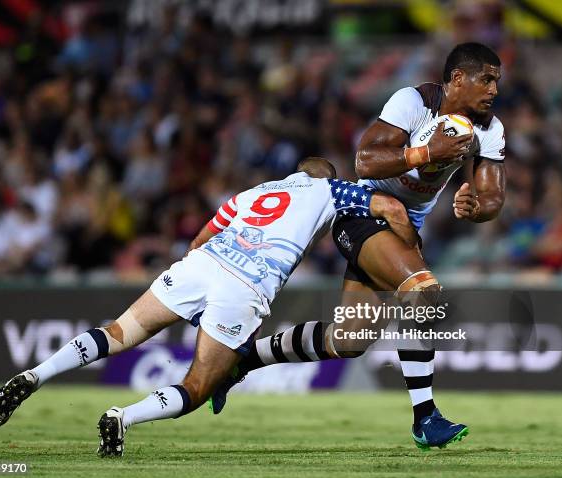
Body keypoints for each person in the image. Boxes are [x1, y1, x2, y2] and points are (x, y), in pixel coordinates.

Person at [0, 157, 417, 457]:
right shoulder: (330, 189)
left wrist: (197, 283)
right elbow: (391, 206)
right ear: (325, 175)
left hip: (200, 264)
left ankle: (36, 374)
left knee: (117, 333)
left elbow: (201, 238)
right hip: (244, 286)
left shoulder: (254, 192)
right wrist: (407, 256)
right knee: (198, 387)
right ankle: (124, 417)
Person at [208, 42, 506, 451]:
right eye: (486, 79)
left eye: (497, 81)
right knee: (424, 294)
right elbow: (365, 160)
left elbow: (492, 197)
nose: (493, 89)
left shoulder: (489, 127)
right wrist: (427, 152)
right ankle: (425, 418)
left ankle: (244, 359)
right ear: (458, 78)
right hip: (362, 212)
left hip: (403, 230)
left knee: (350, 340)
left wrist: (476, 208)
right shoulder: (414, 102)